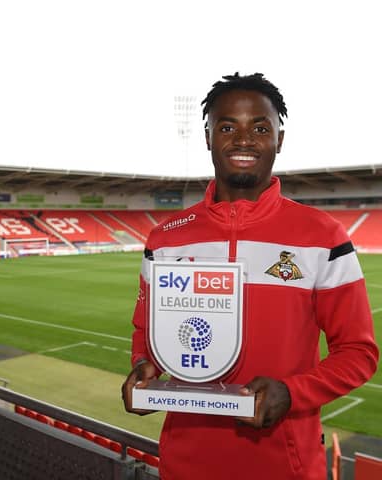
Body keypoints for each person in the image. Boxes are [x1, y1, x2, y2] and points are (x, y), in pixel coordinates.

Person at [121, 73, 379, 479]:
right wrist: (144, 367)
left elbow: (359, 354)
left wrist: (293, 393)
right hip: (186, 466)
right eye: (227, 127)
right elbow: (146, 335)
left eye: (260, 127)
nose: (244, 140)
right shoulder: (166, 239)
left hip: (285, 467)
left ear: (279, 138)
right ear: (207, 137)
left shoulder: (323, 236)